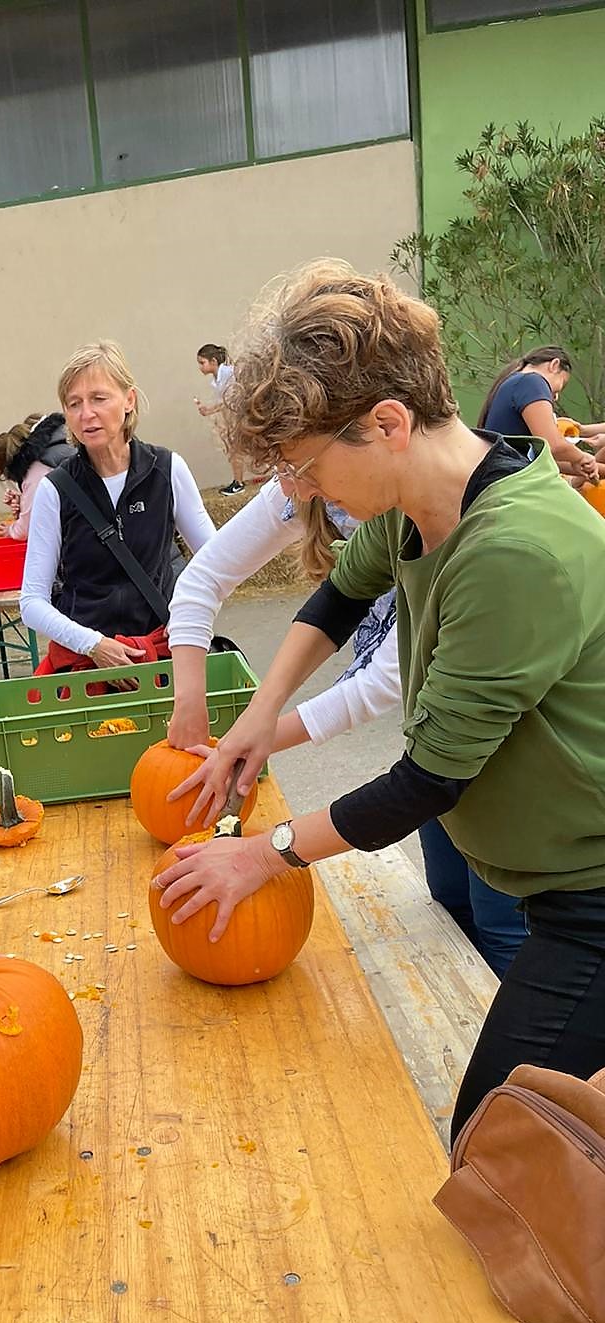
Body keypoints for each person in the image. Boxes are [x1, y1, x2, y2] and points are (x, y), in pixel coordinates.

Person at [154, 260, 605, 1143]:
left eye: (307, 468)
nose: (303, 492)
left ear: (387, 423)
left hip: (593, 897)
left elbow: (424, 782)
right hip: (543, 871)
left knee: (494, 1145)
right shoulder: (419, 503)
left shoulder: (516, 551)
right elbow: (336, 598)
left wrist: (267, 855)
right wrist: (258, 716)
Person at [166, 481, 526, 978]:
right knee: (449, 907)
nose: (290, 488)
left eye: (297, 467)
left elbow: (387, 694)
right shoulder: (319, 484)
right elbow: (332, 600)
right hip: (432, 744)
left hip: (505, 767)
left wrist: (268, 849)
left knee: (506, 930)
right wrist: (217, 706)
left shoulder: (446, 515)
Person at [20, 340, 215, 677]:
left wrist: (190, 616)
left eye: (99, 398)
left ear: (129, 400)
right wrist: (93, 645)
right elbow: (32, 602)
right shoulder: (55, 490)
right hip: (85, 670)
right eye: (74, 404)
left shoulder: (167, 470)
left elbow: (218, 560)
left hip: (162, 658)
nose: (86, 414)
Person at [478, 346, 599, 485]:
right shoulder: (532, 382)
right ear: (554, 365)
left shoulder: (514, 383)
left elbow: (543, 455)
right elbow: (554, 445)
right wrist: (581, 457)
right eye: (562, 384)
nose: (556, 397)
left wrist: (577, 462)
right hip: (512, 482)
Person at [0, 411, 75, 540]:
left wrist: (9, 530)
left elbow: (26, 529)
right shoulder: (57, 444)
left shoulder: (36, 469)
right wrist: (23, 501)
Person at [195, 343, 245, 494]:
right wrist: (209, 410)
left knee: (236, 450)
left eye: (202, 363)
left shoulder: (229, 374)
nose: (200, 367)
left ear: (214, 362)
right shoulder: (217, 380)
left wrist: (210, 410)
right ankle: (237, 481)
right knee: (232, 449)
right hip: (233, 419)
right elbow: (223, 402)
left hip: (242, 415)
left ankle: (239, 482)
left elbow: (231, 399)